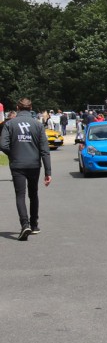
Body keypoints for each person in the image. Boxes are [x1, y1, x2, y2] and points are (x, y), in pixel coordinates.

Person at [0, 98, 52, 240]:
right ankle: (34, 225)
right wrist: (48, 172)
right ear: (31, 108)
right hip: (34, 164)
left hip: (17, 164)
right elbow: (44, 150)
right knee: (33, 193)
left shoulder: (9, 124)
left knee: (20, 195)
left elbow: (3, 145)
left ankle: (25, 224)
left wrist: (13, 154)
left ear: (17, 107)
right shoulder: (38, 125)